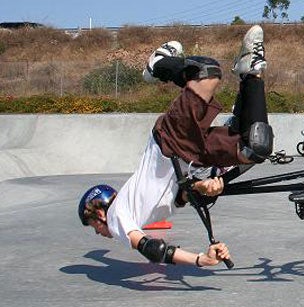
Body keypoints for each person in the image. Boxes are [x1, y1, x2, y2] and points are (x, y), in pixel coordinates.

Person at [78, 25, 272, 268]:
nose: (98, 233)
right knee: (255, 147)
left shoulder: (116, 216)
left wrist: (200, 260)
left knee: (207, 72)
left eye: (93, 226)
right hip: (193, 155)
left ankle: (158, 63)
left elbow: (152, 249)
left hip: (169, 144)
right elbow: (183, 192)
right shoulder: (146, 211)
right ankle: (250, 71)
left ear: (98, 212)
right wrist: (205, 186)